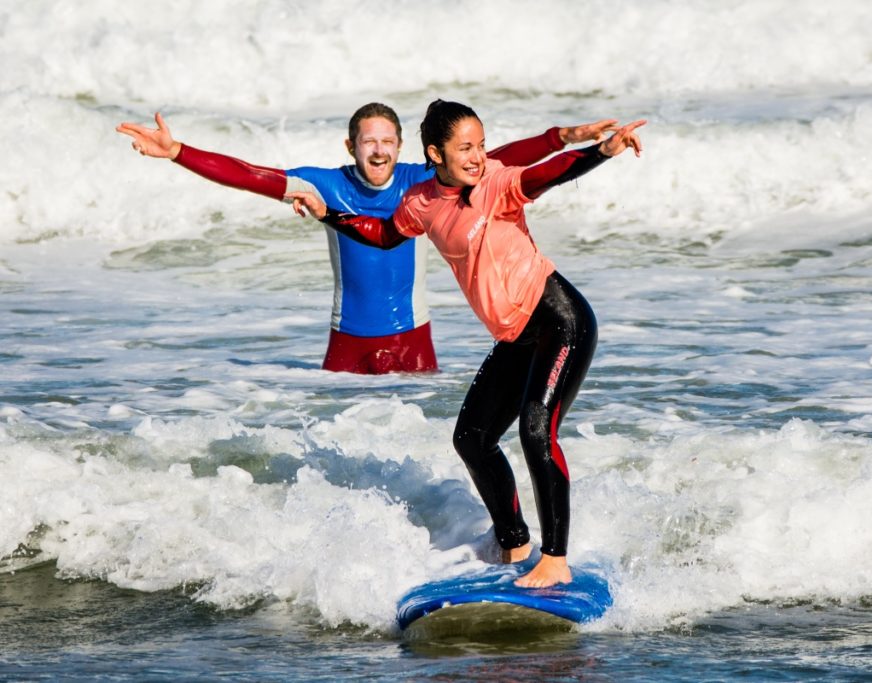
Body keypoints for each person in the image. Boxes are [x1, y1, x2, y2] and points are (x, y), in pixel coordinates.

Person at [287, 100, 644, 587]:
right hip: (516, 336)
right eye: (465, 148)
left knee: (536, 433)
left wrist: (601, 151)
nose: (478, 155)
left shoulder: (495, 182)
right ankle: (514, 541)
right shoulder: (421, 203)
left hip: (561, 321)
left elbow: (545, 175)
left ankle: (556, 559)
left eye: (480, 144)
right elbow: (384, 233)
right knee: (472, 438)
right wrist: (330, 214)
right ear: (436, 154)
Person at [116, 105, 617, 374]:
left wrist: (561, 137)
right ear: (350, 145)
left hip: (414, 340)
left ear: (404, 148)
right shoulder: (325, 186)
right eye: (367, 140)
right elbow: (252, 176)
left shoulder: (422, 185)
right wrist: (179, 151)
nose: (378, 150)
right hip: (346, 343)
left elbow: (493, 159)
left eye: (387, 141)